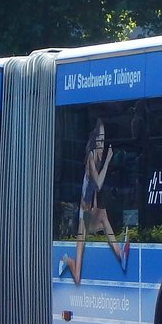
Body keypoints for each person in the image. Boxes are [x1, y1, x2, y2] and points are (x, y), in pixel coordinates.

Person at [58, 118, 129, 285]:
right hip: (84, 212)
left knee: (77, 276)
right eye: (100, 140)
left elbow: (94, 191)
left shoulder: (97, 157)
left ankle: (67, 260)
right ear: (94, 139)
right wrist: (108, 161)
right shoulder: (91, 157)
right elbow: (97, 183)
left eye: (104, 140)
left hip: (86, 213)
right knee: (103, 216)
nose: (102, 144)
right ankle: (120, 254)